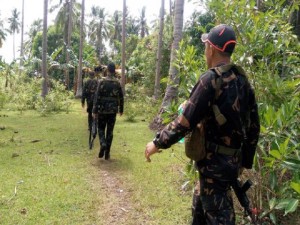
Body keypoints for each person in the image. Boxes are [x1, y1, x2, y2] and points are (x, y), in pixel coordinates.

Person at [144, 24, 260, 224]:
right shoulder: (243, 80)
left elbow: (184, 122)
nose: (205, 51)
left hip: (213, 169)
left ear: (212, 49)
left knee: (220, 217)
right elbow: (254, 128)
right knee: (199, 213)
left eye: (206, 46)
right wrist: (244, 162)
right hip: (229, 165)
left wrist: (157, 143)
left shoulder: (210, 79)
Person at [92, 62, 124, 160]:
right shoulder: (117, 82)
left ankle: (103, 143)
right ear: (114, 71)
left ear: (107, 70)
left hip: (102, 110)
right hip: (112, 111)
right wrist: (121, 109)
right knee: (110, 132)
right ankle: (107, 154)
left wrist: (94, 110)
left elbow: (97, 97)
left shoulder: (101, 81)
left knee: (101, 128)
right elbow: (121, 97)